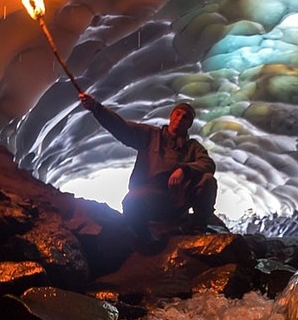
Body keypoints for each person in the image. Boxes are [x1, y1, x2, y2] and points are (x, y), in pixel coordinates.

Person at [79, 92, 224, 240]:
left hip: (178, 201)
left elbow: (208, 164)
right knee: (132, 202)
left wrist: (184, 170)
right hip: (150, 196)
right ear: (171, 116)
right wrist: (96, 108)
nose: (180, 118)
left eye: (185, 117)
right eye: (178, 114)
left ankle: (197, 232)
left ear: (189, 124)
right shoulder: (150, 135)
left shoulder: (193, 147)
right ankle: (145, 237)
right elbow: (121, 127)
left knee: (207, 179)